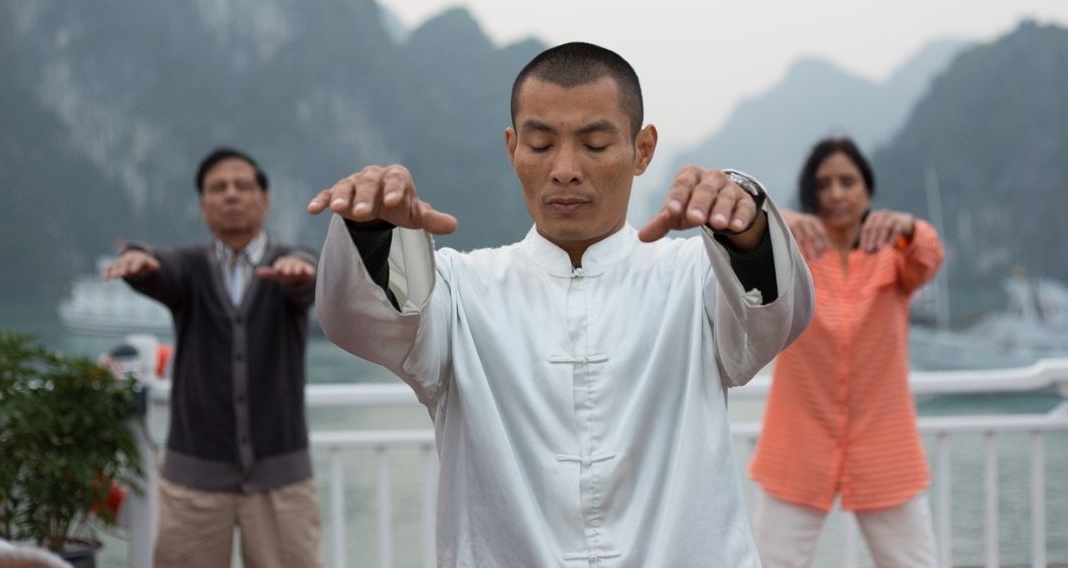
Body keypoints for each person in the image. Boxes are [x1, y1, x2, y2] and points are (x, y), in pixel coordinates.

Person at [308, 42, 815, 567]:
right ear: (512, 149)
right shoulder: (459, 290)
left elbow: (776, 316)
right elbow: (364, 320)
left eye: (595, 144)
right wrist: (373, 229)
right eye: (541, 144)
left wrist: (745, 222)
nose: (565, 169)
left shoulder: (695, 278)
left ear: (642, 150)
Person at [103, 147, 321, 568]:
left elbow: (308, 275)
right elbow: (160, 266)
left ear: (265, 199)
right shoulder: (190, 268)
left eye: (242, 186)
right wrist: (138, 256)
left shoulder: (290, 263)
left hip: (282, 484)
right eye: (218, 188)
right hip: (194, 484)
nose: (231, 195)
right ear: (203, 207)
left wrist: (302, 270)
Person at [747, 137, 944, 567]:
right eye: (824, 184)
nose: (836, 193)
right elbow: (743, 254)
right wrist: (778, 221)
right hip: (796, 444)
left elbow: (930, 257)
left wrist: (909, 227)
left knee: (913, 561)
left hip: (885, 446)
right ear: (810, 193)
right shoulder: (793, 256)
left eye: (848, 181)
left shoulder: (895, 258)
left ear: (867, 192)